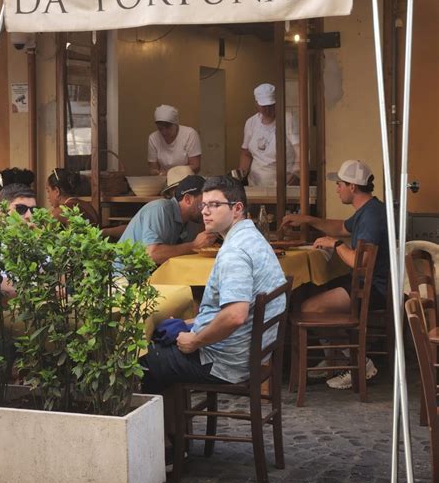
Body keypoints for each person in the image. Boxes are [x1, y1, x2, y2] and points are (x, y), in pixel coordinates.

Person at [140, 174, 287, 396]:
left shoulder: (234, 252)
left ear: (237, 209)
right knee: (165, 341)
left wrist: (195, 340)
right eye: (204, 205)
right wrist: (191, 322)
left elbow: (236, 315)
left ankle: (157, 429)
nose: (205, 211)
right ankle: (171, 428)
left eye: (215, 205)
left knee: (140, 358)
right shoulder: (253, 238)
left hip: (224, 361)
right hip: (245, 352)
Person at [281, 159, 389, 389]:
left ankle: (356, 362)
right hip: (363, 282)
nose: (337, 188)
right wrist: (308, 220)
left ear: (353, 187)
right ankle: (335, 359)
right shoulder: (369, 209)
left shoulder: (371, 217)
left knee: (309, 308)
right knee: (311, 289)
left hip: (373, 288)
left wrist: (336, 245)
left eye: (340, 184)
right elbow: (341, 227)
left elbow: (362, 263)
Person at [119, 174, 216, 265]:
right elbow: (153, 254)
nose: (206, 210)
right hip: (124, 277)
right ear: (187, 199)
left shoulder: (193, 220)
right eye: (203, 204)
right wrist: (194, 245)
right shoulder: (159, 208)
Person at [238, 83, 299, 186]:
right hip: (255, 184)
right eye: (263, 106)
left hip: (283, 184)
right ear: (256, 104)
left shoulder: (288, 120)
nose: (267, 110)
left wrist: (295, 172)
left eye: (271, 106)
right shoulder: (251, 122)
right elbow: (246, 154)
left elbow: (299, 151)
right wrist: (240, 176)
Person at [148, 104, 202, 176]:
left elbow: (196, 166)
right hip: (163, 179)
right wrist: (155, 172)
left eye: (168, 128)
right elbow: (153, 168)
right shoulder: (153, 138)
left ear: (176, 124)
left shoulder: (190, 134)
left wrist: (171, 173)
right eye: (160, 128)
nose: (164, 132)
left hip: (187, 179)